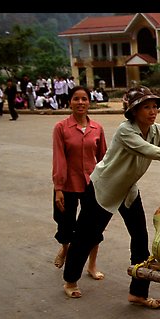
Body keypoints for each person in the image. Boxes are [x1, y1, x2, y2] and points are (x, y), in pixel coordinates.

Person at [60, 85, 160, 306]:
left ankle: (137, 292)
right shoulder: (126, 131)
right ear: (134, 111)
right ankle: (70, 280)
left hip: (128, 190)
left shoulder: (156, 130)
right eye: (146, 107)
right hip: (103, 190)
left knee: (140, 239)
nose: (152, 111)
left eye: (154, 106)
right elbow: (149, 150)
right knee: (86, 237)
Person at [52, 86, 107, 281]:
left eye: (84, 99)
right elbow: (59, 158)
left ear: (89, 102)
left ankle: (91, 266)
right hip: (67, 184)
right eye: (76, 99)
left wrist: (107, 183)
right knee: (65, 224)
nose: (80, 102)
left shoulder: (97, 128)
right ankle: (66, 247)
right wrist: (58, 188)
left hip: (91, 184)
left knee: (93, 227)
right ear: (70, 102)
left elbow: (103, 158)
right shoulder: (61, 128)